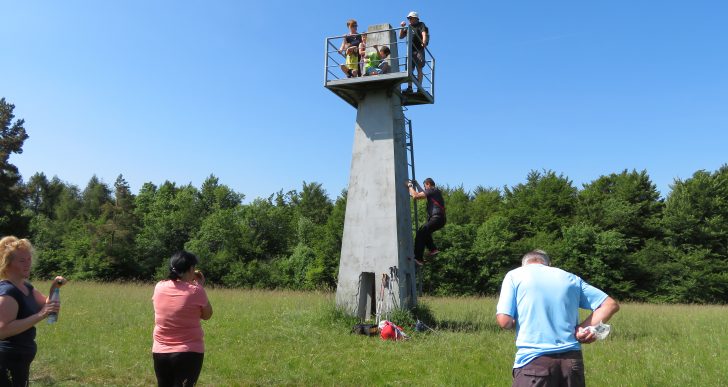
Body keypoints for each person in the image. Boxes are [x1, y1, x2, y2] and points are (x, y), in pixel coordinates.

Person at [496, 250, 620, 387]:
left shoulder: (514, 275)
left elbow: (504, 321)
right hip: (572, 363)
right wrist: (582, 328)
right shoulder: (570, 278)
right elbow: (610, 305)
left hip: (534, 363)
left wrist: (519, 322)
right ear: (548, 264)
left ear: (524, 264)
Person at [0, 236, 66, 387]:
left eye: (29, 259)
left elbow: (46, 305)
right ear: (8, 264)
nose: (28, 264)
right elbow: (2, 330)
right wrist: (40, 315)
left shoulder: (25, 286)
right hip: (7, 358)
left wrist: (55, 288)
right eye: (22, 261)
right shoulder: (7, 292)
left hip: (21, 358)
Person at [152, 251, 213, 387]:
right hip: (188, 352)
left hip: (160, 351)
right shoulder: (196, 291)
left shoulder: (159, 287)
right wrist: (199, 286)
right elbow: (207, 315)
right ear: (191, 269)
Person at [407, 178, 446, 265]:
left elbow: (416, 196)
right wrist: (416, 185)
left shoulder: (431, 190)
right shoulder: (434, 191)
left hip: (436, 218)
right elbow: (423, 193)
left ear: (428, 184)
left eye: (425, 187)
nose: (424, 189)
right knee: (425, 232)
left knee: (420, 233)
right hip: (441, 219)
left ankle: (418, 258)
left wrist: (409, 186)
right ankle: (433, 249)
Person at [399, 11, 429, 93]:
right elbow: (401, 36)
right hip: (410, 51)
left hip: (419, 49)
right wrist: (402, 27)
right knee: (410, 70)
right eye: (408, 18)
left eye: (410, 18)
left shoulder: (421, 24)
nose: (409, 19)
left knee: (419, 68)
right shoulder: (409, 26)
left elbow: (424, 33)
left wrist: (424, 42)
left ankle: (419, 88)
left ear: (416, 18)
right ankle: (410, 88)